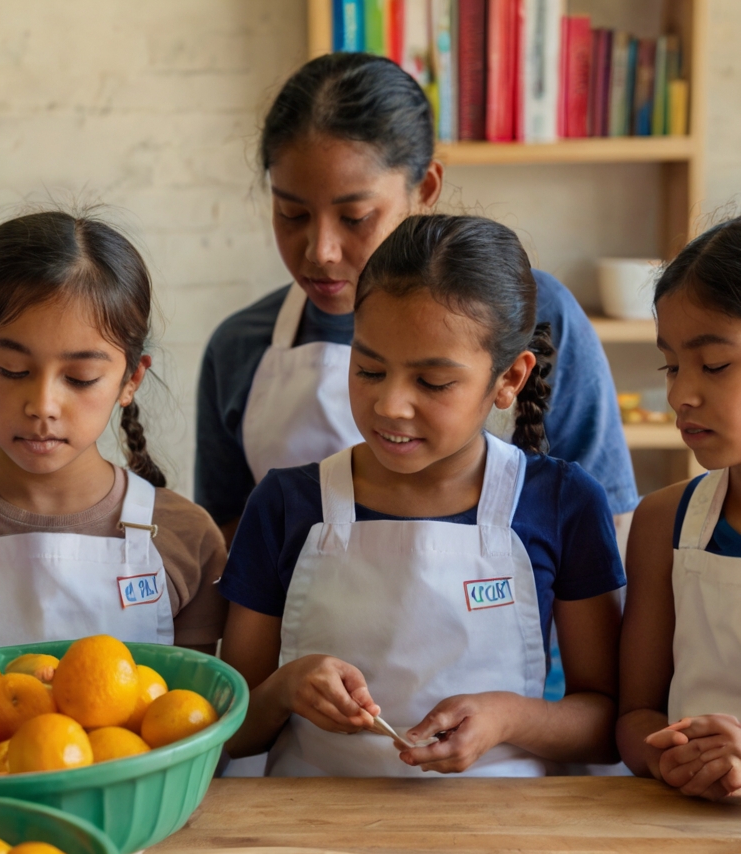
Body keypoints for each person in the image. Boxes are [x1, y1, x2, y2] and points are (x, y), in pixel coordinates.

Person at [220, 214, 624, 778]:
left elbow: (611, 726)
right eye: (368, 368)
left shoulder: (563, 503)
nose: (390, 405)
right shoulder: (286, 505)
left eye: (432, 383)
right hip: (317, 841)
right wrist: (286, 689)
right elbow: (231, 731)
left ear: (509, 379)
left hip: (498, 827)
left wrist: (506, 718)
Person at [195, 52, 636, 547]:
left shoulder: (536, 312)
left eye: (356, 217)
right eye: (292, 214)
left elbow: (605, 531)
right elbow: (227, 543)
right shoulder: (238, 347)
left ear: (426, 187)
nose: (320, 251)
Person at [0, 211, 227, 677]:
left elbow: (190, 725)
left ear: (131, 378)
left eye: (81, 378)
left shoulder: (187, 540)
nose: (43, 405)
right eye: (13, 371)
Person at [618, 219, 741, 800]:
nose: (679, 395)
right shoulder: (665, 522)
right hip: (674, 837)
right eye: (671, 366)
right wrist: (667, 757)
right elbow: (636, 715)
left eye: (713, 365)